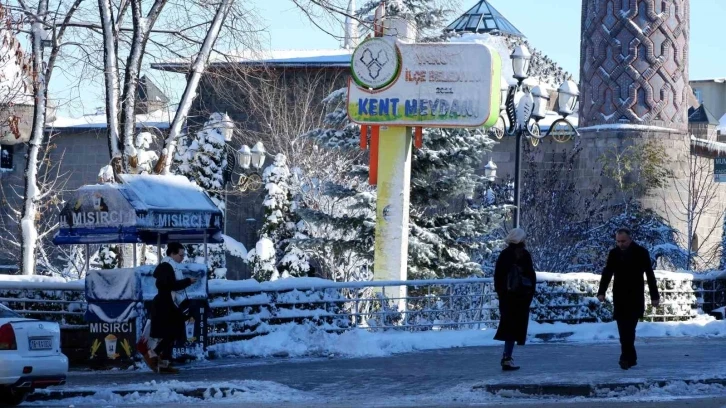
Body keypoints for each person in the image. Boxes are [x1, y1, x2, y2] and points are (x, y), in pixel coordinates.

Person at [597, 228, 660, 370]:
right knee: (622, 330)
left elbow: (650, 275)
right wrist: (601, 291)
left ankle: (626, 357)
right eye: (618, 241)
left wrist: (654, 296)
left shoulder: (641, 252)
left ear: (630, 239)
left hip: (635, 297)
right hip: (619, 297)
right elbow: (607, 273)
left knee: (629, 329)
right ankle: (629, 357)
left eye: (623, 241)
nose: (620, 244)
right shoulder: (614, 254)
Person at [150, 242, 197, 374]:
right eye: (181, 255)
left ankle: (164, 361)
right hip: (166, 304)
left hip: (168, 303)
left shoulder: (170, 266)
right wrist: (187, 281)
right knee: (173, 332)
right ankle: (156, 354)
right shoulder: (167, 267)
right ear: (172, 253)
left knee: (173, 333)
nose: (182, 258)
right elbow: (168, 285)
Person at [494, 228, 536, 371]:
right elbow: (531, 277)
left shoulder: (504, 255)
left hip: (507, 298)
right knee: (515, 328)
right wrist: (529, 295)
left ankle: (507, 357)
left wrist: (502, 294)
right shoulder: (524, 255)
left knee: (508, 327)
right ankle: (507, 357)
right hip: (521, 298)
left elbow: (498, 277)